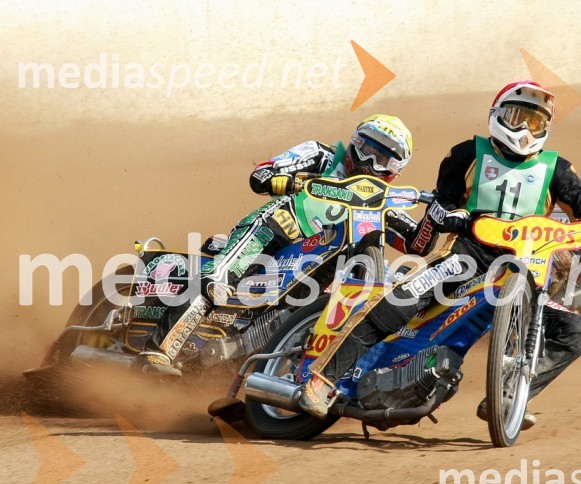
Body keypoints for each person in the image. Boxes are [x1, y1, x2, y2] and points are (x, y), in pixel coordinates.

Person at [298, 81, 581, 428]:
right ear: (496, 115)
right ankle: (323, 380)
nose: (523, 128)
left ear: (545, 128)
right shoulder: (466, 154)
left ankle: (508, 395)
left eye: (534, 122)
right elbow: (441, 201)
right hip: (467, 256)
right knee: (403, 297)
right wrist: (449, 214)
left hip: (528, 267)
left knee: (574, 331)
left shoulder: (557, 169)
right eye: (516, 117)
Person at [139, 114, 417, 376]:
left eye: (381, 158)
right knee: (219, 281)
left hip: (323, 265)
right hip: (274, 231)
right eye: (366, 148)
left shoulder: (383, 200)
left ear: (393, 170)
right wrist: (295, 180)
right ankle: (157, 350)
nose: (368, 161)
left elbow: (416, 243)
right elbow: (261, 176)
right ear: (355, 142)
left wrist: (444, 214)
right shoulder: (322, 156)